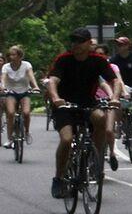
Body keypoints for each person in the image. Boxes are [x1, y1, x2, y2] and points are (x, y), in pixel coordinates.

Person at [46, 28, 119, 198]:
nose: (75, 45)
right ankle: (58, 177)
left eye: (79, 41)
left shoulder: (98, 60)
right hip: (65, 105)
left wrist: (114, 98)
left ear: (88, 43)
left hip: (87, 103)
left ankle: (93, 155)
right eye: (73, 41)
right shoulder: (63, 60)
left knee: (101, 119)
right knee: (67, 138)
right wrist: (56, 98)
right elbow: (53, 81)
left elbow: (114, 81)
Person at [94, 46, 125, 170]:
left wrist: (116, 97)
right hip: (94, 102)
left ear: (107, 56)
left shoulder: (112, 68)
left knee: (108, 130)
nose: (99, 56)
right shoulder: (91, 67)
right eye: (97, 54)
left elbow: (118, 81)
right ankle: (94, 156)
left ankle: (112, 153)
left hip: (109, 102)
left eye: (102, 54)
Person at [2, 45, 38, 148]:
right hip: (11, 93)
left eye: (14, 54)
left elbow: (31, 76)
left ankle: (26, 132)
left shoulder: (26, 65)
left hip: (24, 92)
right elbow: (3, 78)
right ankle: (10, 139)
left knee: (26, 113)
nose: (11, 57)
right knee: (10, 113)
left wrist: (35, 87)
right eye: (10, 55)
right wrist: (3, 87)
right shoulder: (6, 67)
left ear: (19, 56)